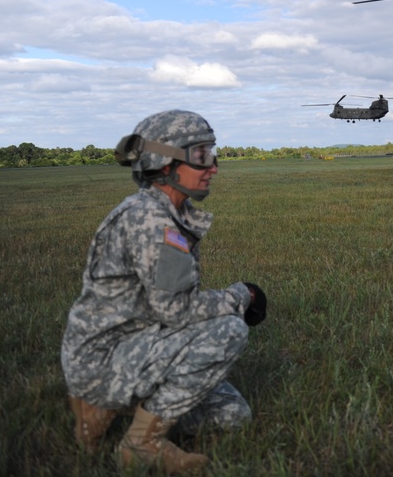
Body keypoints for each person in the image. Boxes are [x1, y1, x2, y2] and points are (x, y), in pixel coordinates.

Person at [61, 109, 267, 473]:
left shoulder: (167, 211)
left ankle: (110, 409)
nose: (214, 167)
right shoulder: (152, 220)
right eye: (202, 157)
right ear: (165, 163)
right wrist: (242, 296)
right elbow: (176, 311)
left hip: (139, 343)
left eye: (211, 155)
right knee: (229, 331)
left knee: (232, 416)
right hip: (105, 357)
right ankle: (140, 442)